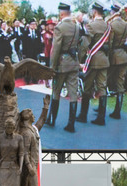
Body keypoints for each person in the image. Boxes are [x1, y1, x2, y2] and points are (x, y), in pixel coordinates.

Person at [46, 2, 80, 133]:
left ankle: (52, 119)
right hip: (73, 62)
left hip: (62, 63)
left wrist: (51, 67)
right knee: (73, 93)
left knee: (56, 91)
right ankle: (71, 124)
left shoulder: (60, 27)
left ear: (61, 13)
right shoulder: (76, 26)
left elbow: (55, 50)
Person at [77, 2, 110, 126]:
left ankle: (83, 115)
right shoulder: (108, 26)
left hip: (93, 60)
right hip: (104, 60)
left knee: (88, 87)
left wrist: (81, 60)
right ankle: (101, 118)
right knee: (102, 87)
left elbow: (85, 44)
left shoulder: (91, 25)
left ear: (95, 12)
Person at [107, 2, 127, 120]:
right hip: (123, 55)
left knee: (104, 80)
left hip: (114, 55)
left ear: (112, 12)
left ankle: (102, 107)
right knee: (120, 83)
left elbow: (110, 42)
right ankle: (117, 111)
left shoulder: (111, 24)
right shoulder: (126, 25)